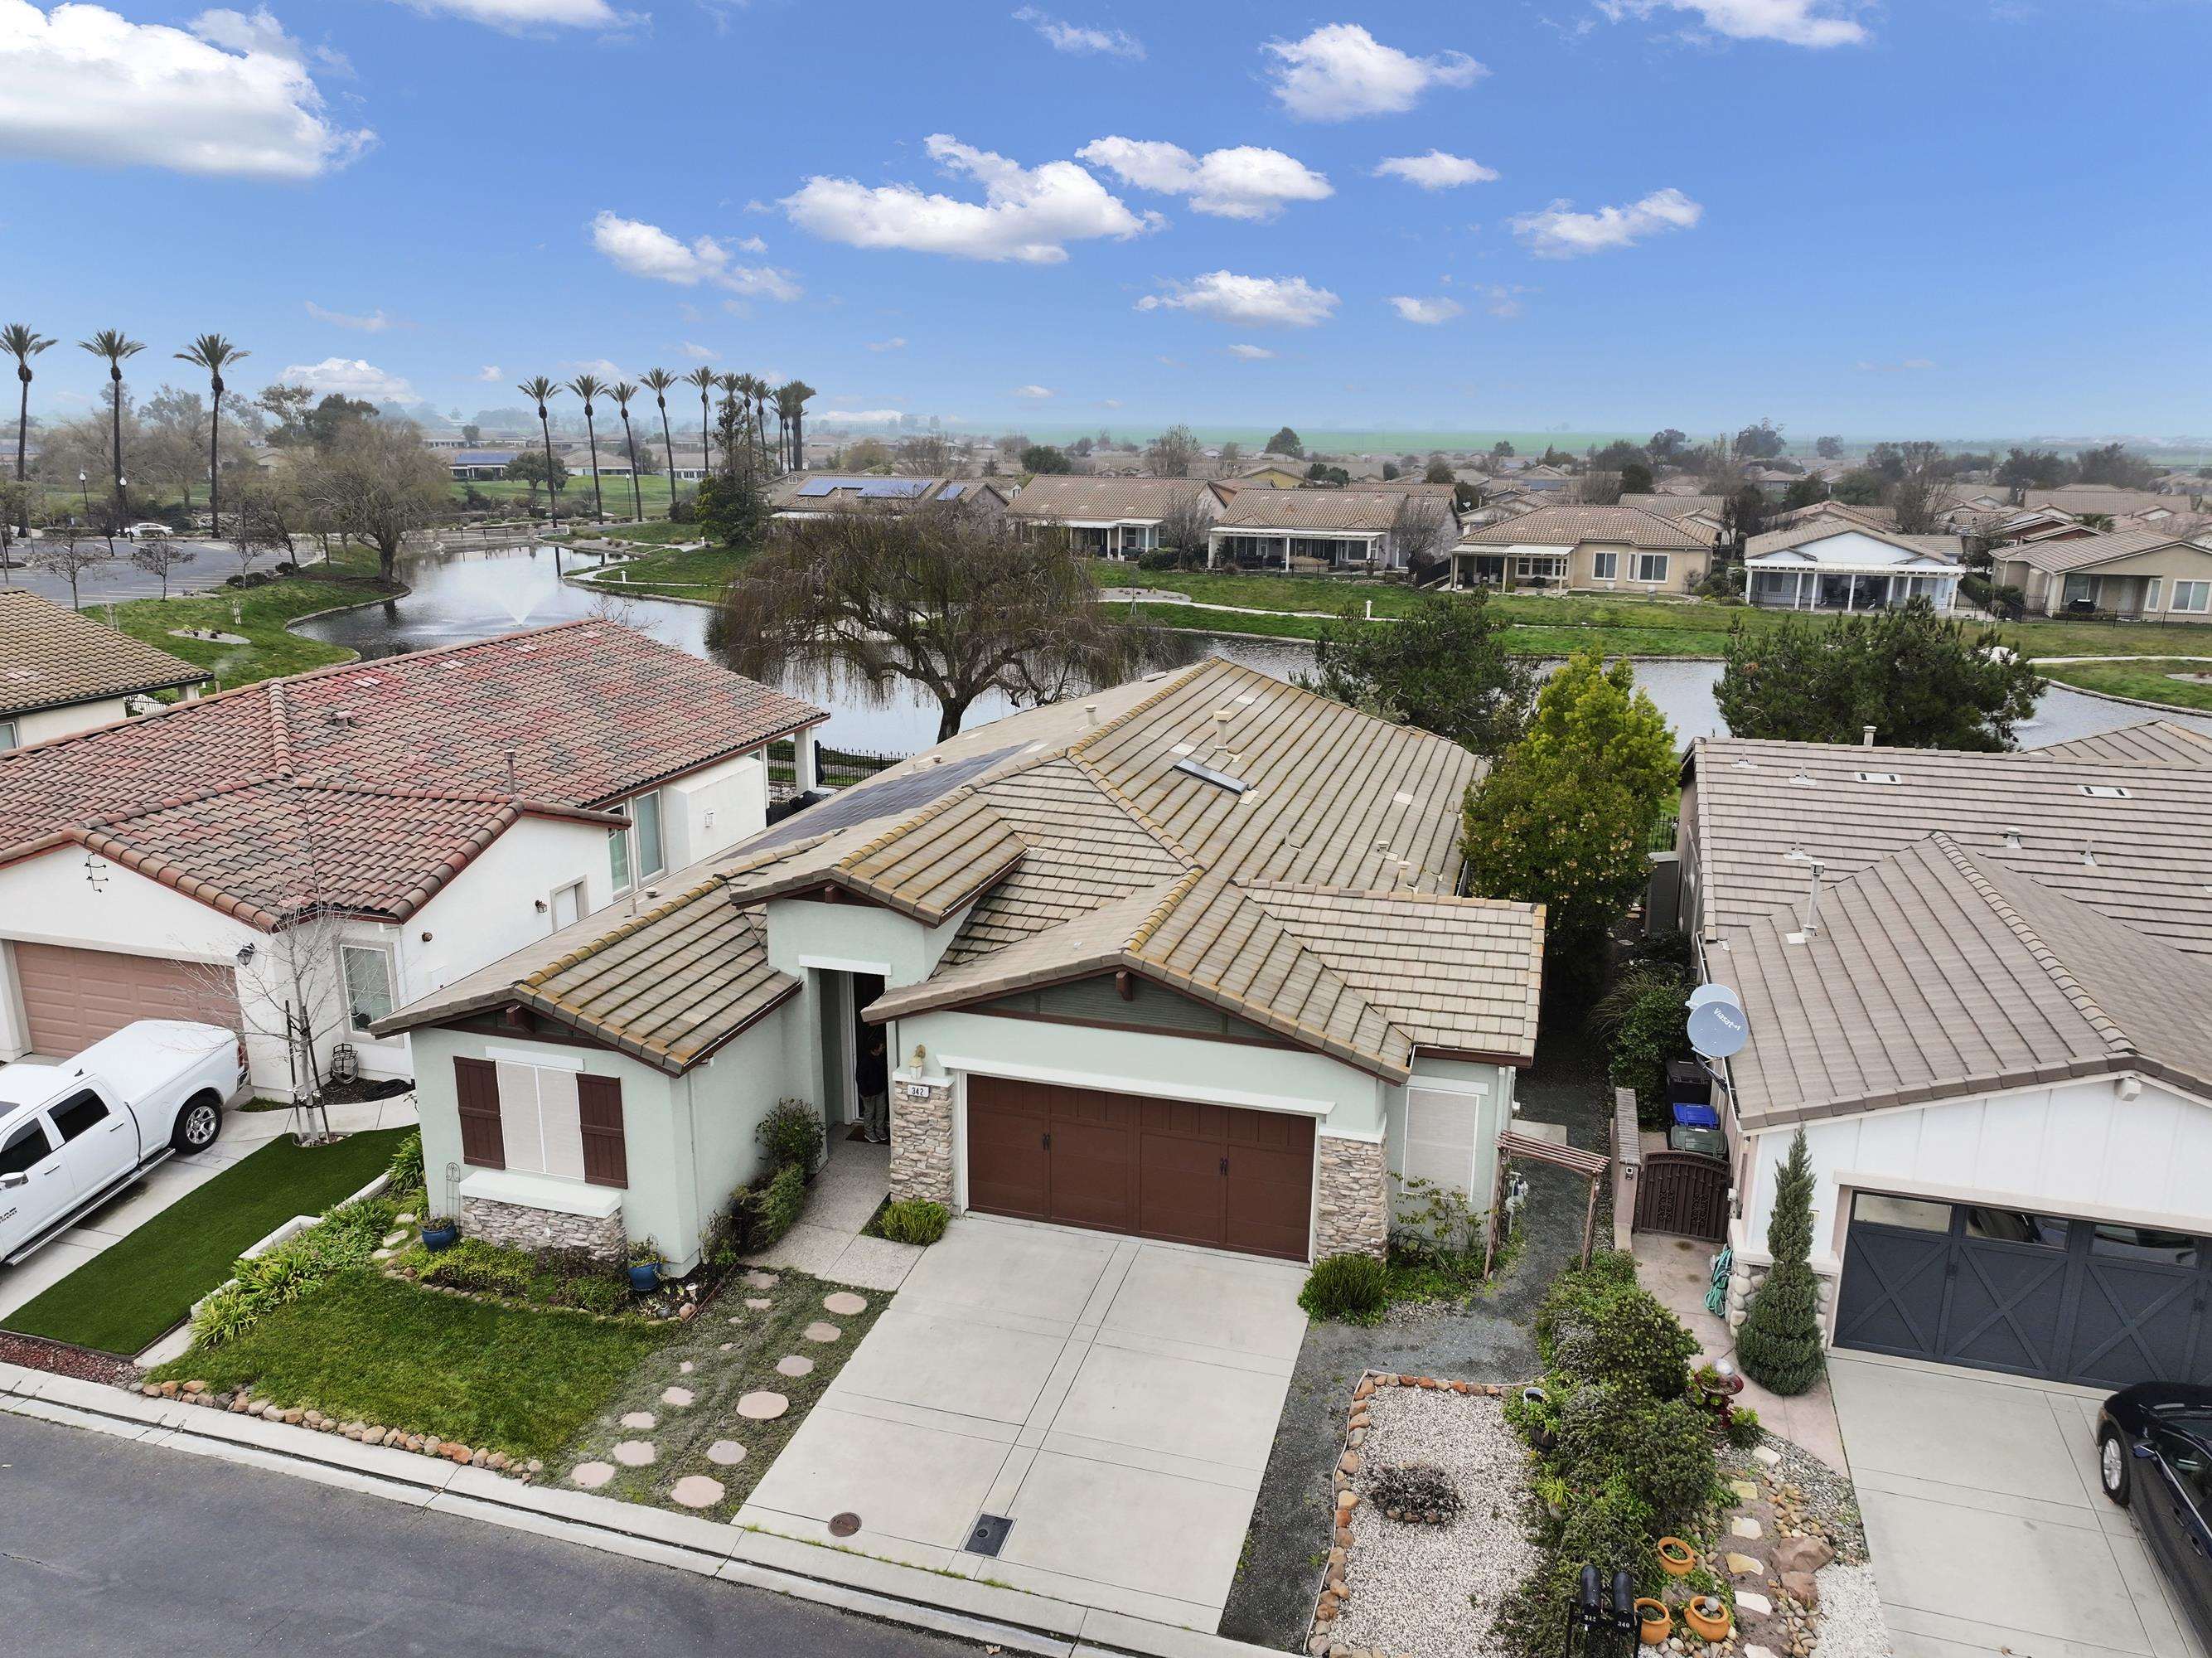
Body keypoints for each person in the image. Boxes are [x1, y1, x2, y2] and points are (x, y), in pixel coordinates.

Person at [857, 1025, 890, 1144]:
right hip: (868, 1092)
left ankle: (880, 1130)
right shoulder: (865, 1060)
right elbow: (860, 1077)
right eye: (882, 1046)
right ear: (875, 1048)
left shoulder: (880, 1058)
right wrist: (865, 1093)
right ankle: (869, 1132)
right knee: (869, 1112)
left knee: (881, 1110)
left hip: (880, 1090)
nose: (884, 1047)